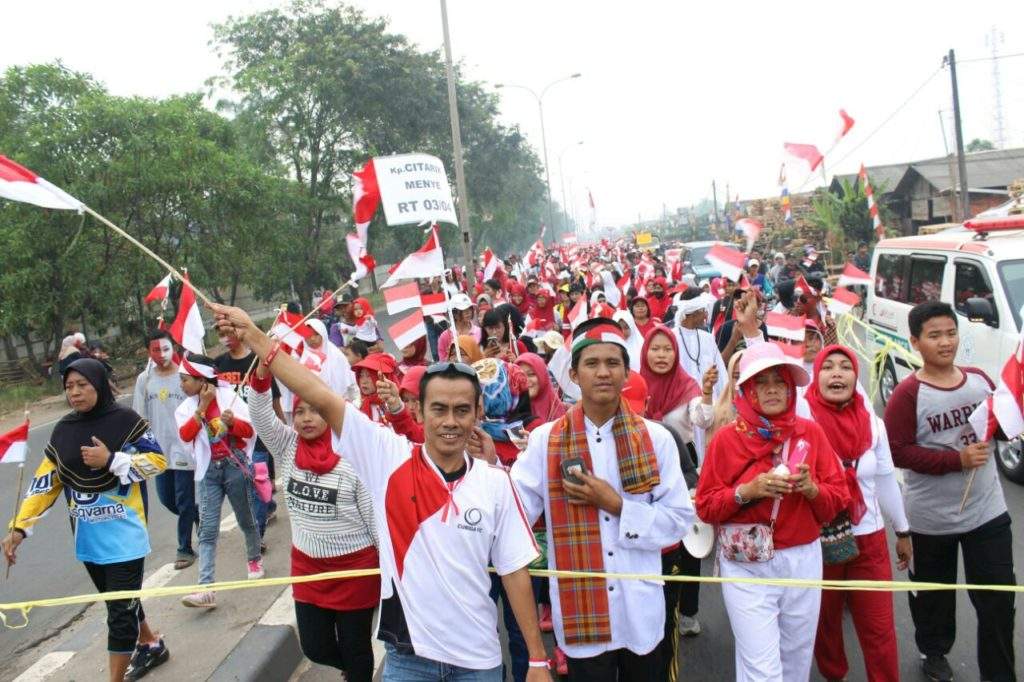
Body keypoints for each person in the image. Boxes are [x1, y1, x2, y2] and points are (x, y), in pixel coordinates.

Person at [207, 301, 553, 682]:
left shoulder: (495, 483)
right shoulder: (387, 457)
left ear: (477, 413)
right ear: (418, 412)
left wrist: (537, 659)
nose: (450, 422)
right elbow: (320, 395)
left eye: (461, 410)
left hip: (478, 661)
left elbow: (514, 572)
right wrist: (254, 337)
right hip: (408, 660)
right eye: (438, 409)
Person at [511, 317, 694, 681]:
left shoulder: (657, 438)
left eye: (613, 363)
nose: (603, 372)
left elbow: (678, 520)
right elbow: (513, 512)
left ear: (627, 373)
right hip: (580, 614)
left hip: (640, 613)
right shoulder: (547, 440)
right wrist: (484, 471)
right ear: (574, 375)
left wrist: (619, 506)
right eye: (591, 363)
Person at [3, 358, 170, 682]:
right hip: (88, 538)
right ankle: (150, 642)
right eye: (69, 387)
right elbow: (45, 482)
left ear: (98, 385)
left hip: (125, 535)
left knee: (119, 616)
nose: (75, 393)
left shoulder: (126, 421)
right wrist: (19, 528)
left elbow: (157, 461)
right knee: (120, 604)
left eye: (82, 385)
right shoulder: (64, 430)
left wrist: (111, 460)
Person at [695, 342, 848, 682]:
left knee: (795, 660)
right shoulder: (726, 440)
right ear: (746, 390)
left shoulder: (811, 433)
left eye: (780, 382)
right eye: (761, 382)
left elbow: (837, 499)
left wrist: (812, 489)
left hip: (802, 561)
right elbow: (706, 505)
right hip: (746, 564)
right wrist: (747, 492)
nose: (773, 389)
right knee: (762, 669)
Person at [883, 301, 1016, 682]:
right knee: (935, 597)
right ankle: (934, 652)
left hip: (987, 511)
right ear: (915, 341)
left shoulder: (979, 380)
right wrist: (955, 461)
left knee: (998, 601)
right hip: (932, 519)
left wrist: (1011, 417)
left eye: (951, 333)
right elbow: (898, 451)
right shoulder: (908, 394)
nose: (945, 342)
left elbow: (1001, 427)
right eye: (934, 335)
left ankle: (1000, 673)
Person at [248, 361, 380, 682]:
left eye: (317, 410)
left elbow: (374, 519)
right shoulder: (287, 446)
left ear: (333, 412)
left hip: (356, 570)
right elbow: (261, 416)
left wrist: (392, 571)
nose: (307, 419)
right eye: (301, 411)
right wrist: (261, 378)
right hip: (308, 568)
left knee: (357, 650)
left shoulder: (353, 454)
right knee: (315, 648)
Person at [808, 345, 912, 682]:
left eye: (845, 367)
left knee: (879, 627)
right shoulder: (802, 422)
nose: (836, 373)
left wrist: (903, 530)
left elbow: (884, 480)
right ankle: (833, 674)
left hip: (870, 539)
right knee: (825, 623)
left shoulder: (874, 425)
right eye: (828, 367)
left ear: (857, 376)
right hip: (819, 540)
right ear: (816, 376)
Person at [176, 354, 263, 608]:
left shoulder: (230, 398)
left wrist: (233, 422)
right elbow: (185, 435)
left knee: (245, 518)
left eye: (185, 380)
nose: (181, 385)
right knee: (207, 529)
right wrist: (202, 407)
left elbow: (250, 431)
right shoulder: (185, 408)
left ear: (202, 380)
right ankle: (206, 587)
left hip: (234, 466)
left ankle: (254, 558)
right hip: (208, 472)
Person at [133, 331, 196, 570]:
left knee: (183, 498)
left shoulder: (185, 376)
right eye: (155, 350)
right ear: (148, 353)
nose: (161, 354)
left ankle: (184, 548)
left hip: (184, 448)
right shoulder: (144, 379)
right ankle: (199, 516)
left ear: (174, 347)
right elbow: (140, 416)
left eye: (165, 348)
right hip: (158, 452)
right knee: (169, 500)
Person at [215, 335, 281, 539]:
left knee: (255, 483)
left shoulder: (256, 361)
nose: (225, 336)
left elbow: (274, 397)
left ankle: (257, 537)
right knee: (254, 486)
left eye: (228, 331)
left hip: (258, 433)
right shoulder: (218, 364)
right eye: (220, 332)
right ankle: (268, 502)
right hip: (233, 437)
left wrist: (280, 427)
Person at [515, 352, 567, 424]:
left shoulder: (563, 412)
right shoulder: (508, 412)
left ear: (543, 376)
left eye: (531, 374)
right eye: (521, 375)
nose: (525, 380)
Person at [437, 294, 479, 362]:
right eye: (463, 310)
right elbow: (442, 363)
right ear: (454, 313)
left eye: (470, 308)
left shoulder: (479, 331)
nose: (468, 312)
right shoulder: (445, 336)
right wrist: (450, 356)